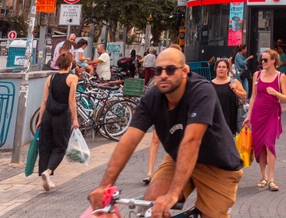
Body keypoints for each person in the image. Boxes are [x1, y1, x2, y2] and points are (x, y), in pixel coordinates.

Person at [88, 47, 243, 218]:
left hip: (218, 165)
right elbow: (129, 140)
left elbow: (191, 141)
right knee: (153, 203)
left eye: (170, 70)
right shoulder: (152, 98)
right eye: (158, 70)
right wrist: (105, 185)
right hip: (179, 158)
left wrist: (173, 194)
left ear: (184, 71)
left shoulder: (201, 91)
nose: (163, 75)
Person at [243, 48, 286, 191]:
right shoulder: (257, 75)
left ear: (273, 61)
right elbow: (253, 97)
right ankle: (263, 176)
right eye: (261, 60)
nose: (262, 62)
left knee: (269, 144)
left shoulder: (281, 76)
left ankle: (271, 179)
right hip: (257, 114)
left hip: (272, 114)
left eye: (265, 60)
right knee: (259, 146)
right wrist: (248, 116)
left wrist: (275, 92)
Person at [37, 50, 80, 191]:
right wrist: (75, 119)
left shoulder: (50, 78)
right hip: (61, 117)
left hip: (48, 115)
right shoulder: (72, 78)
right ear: (70, 63)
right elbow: (71, 100)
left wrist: (40, 118)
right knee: (60, 146)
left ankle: (45, 173)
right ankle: (48, 171)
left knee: (45, 145)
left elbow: (44, 100)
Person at [211, 59, 246, 136]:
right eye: (219, 67)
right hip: (215, 119)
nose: (221, 69)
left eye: (224, 67)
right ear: (216, 69)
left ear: (227, 69)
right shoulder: (210, 84)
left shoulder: (233, 82)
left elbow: (244, 96)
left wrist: (235, 90)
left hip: (230, 119)